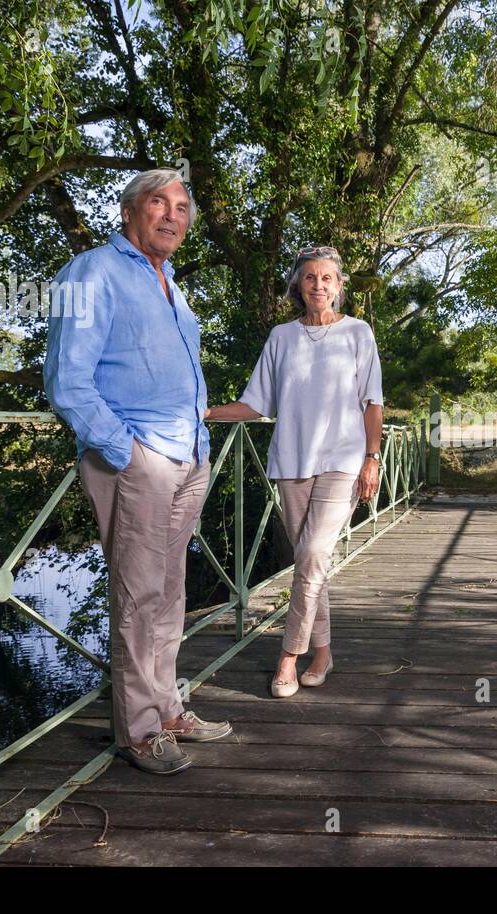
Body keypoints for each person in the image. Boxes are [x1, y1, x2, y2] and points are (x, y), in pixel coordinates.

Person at [43, 168, 232, 775]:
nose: (172, 215)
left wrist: (195, 445)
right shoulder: (91, 271)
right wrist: (125, 450)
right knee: (138, 594)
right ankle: (139, 731)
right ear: (130, 211)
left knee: (171, 592)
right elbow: (66, 380)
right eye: (159, 203)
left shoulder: (171, 283)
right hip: (139, 458)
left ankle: (168, 707)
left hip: (187, 455)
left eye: (182, 207)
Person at [205, 245, 384, 697]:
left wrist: (372, 456)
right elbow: (255, 404)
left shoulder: (359, 333)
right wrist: (203, 411)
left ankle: (288, 657)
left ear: (339, 286)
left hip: (343, 462)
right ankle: (322, 651)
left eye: (327, 278)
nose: (319, 285)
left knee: (311, 555)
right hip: (291, 462)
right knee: (310, 560)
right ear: (298, 287)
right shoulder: (281, 338)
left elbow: (373, 401)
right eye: (310, 278)